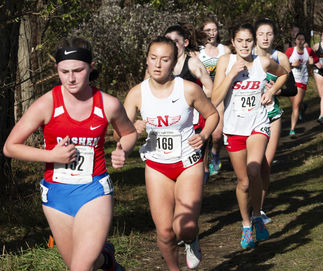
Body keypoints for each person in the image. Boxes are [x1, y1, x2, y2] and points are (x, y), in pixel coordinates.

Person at [3, 37, 137, 271]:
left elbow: (129, 133)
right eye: (64, 71)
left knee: (80, 268)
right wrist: (51, 156)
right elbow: (10, 147)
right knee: (82, 263)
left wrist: (122, 149)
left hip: (94, 189)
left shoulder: (108, 104)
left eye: (78, 70)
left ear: (91, 67)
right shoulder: (46, 104)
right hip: (56, 195)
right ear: (57, 70)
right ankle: (107, 260)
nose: (71, 78)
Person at [124, 36, 218, 270]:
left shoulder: (188, 89)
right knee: (165, 232)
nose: (157, 64)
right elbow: (119, 133)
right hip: (156, 165)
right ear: (146, 60)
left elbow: (213, 115)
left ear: (174, 63)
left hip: (187, 162)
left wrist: (204, 135)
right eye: (153, 58)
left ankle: (191, 238)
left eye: (164, 60)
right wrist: (131, 129)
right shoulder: (137, 93)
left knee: (184, 227)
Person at [212, 23, 288, 249]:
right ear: (233, 43)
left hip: (258, 123)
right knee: (244, 181)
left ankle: (257, 215)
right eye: (240, 41)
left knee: (255, 169)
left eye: (248, 41)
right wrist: (231, 75)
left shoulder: (262, 62)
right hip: (234, 129)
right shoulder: (225, 62)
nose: (245, 45)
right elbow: (215, 99)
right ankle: (246, 225)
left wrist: (271, 91)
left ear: (253, 42)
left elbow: (284, 74)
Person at [253, 18, 295, 224]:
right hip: (249, 116)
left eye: (269, 34)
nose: (265, 38)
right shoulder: (246, 55)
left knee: (265, 165)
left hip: (272, 114)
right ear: (255, 36)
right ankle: (250, 203)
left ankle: (258, 210)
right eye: (261, 34)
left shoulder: (280, 57)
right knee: (251, 166)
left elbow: (292, 88)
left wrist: (274, 88)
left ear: (274, 36)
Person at [163, 24, 214, 183]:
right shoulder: (162, 65)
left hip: (193, 122)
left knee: (192, 164)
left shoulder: (192, 63)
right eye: (167, 41)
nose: (171, 45)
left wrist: (190, 99)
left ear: (185, 43)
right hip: (169, 122)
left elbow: (210, 89)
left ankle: (198, 183)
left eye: (175, 41)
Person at [196, 18, 231, 176]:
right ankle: (203, 164)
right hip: (202, 98)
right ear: (203, 32)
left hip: (220, 95)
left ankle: (215, 153)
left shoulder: (225, 50)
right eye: (208, 30)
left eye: (214, 30)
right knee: (204, 134)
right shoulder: (198, 52)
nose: (211, 33)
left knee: (217, 134)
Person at [285, 32, 320, 137]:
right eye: (298, 39)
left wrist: (313, 61)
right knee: (294, 103)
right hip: (291, 79)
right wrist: (292, 64)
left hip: (302, 79)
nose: (300, 41)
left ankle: (292, 130)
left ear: (305, 41)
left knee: (295, 105)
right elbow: (283, 63)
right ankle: (302, 107)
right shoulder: (290, 50)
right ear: (295, 40)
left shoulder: (308, 51)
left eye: (302, 39)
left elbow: (315, 59)